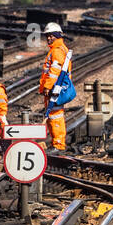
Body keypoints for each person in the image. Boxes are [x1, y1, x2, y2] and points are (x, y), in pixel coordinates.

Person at [38, 21, 75, 151]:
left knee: (55, 116)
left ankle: (58, 145)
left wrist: (48, 87)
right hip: (57, 88)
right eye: (47, 36)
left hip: (55, 89)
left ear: (57, 35)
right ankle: (57, 143)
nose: (48, 38)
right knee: (54, 116)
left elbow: (55, 71)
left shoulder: (57, 51)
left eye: (51, 35)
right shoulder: (59, 49)